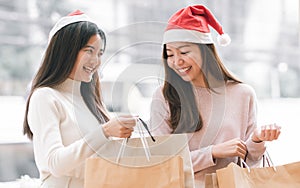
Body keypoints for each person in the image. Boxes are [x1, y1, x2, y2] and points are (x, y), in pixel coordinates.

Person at [149, 5, 281, 187]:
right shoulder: (164, 97)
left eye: (184, 52)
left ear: (205, 50)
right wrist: (212, 152)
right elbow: (162, 162)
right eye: (170, 54)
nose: (176, 61)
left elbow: (250, 163)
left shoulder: (243, 93)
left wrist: (257, 140)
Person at [23, 10, 137, 188]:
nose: (96, 61)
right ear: (65, 51)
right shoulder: (45, 97)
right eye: (89, 51)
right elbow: (55, 164)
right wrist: (105, 132)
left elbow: (95, 155)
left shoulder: (90, 100)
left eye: (100, 53)